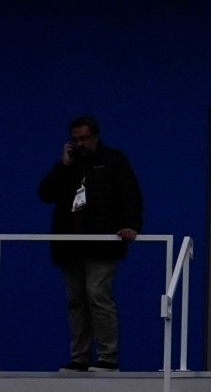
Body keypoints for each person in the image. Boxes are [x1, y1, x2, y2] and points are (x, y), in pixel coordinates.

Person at [35, 116, 142, 372]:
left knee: (98, 296)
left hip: (101, 243)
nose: (80, 144)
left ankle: (107, 357)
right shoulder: (69, 165)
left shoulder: (113, 160)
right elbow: (45, 194)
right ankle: (79, 358)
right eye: (75, 139)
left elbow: (131, 194)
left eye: (84, 138)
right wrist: (63, 165)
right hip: (70, 244)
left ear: (95, 136)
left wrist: (132, 225)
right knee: (76, 301)